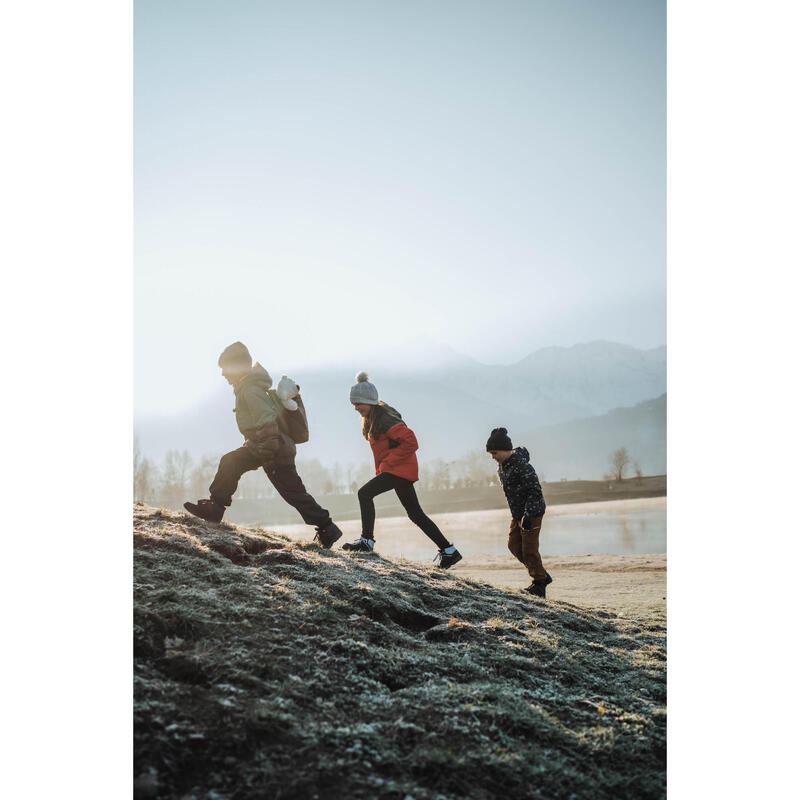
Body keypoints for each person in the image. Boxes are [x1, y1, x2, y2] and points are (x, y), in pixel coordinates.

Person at [183, 342, 343, 548]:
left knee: (290, 491)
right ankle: (216, 507)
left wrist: (266, 451)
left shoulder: (250, 390)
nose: (222, 374)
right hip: (267, 446)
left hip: (272, 449)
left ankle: (326, 527)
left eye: (225, 368)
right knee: (236, 464)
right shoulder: (249, 387)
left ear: (237, 367)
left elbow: (267, 420)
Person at [344, 372, 462, 569]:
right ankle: (449, 551)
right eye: (354, 405)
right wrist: (384, 466)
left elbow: (411, 442)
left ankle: (366, 541)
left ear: (369, 401)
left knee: (364, 494)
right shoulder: (373, 418)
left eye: (358, 404)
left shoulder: (385, 419)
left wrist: (388, 463)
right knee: (415, 514)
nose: (356, 408)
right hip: (396, 470)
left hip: (398, 470)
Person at [486, 427, 552, 598]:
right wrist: (519, 515)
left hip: (532, 513)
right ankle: (542, 574)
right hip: (517, 514)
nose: (493, 457)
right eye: (490, 454)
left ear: (506, 450)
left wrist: (528, 515)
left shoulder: (522, 465)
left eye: (494, 452)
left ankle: (539, 585)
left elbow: (535, 490)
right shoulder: (502, 467)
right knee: (513, 545)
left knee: (529, 548)